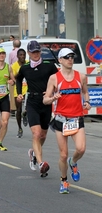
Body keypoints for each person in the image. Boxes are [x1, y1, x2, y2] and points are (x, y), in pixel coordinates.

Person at [43, 48, 90, 194]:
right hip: (61, 119)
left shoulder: (81, 77)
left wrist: (87, 102)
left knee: (81, 149)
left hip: (77, 118)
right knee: (63, 154)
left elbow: (85, 92)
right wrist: (52, 98)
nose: (70, 59)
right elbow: (45, 100)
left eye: (72, 56)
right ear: (60, 60)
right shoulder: (54, 78)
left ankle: (73, 162)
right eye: (67, 57)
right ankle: (64, 180)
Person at [16, 40, 58, 177]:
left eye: (38, 51)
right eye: (33, 52)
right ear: (29, 53)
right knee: (36, 133)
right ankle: (41, 163)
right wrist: (19, 94)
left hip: (46, 102)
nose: (36, 54)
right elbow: (18, 79)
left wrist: (53, 92)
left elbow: (58, 79)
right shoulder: (25, 68)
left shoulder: (49, 66)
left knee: (43, 135)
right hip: (32, 102)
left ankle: (33, 152)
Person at [11, 48, 27, 138]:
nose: (22, 56)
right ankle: (20, 128)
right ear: (17, 56)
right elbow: (13, 78)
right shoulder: (14, 66)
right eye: (20, 55)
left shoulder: (28, 63)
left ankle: (25, 114)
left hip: (28, 89)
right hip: (18, 90)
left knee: (28, 107)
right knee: (19, 110)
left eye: (24, 55)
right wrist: (21, 72)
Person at [9, 39, 22, 117]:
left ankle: (13, 108)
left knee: (12, 91)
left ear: (13, 45)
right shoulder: (22, 52)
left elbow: (10, 64)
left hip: (14, 73)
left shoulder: (11, 53)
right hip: (21, 72)